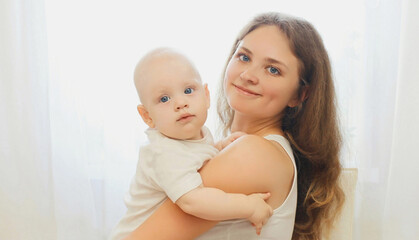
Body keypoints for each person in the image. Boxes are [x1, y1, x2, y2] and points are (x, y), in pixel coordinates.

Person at [123, 12, 345, 240]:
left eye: (273, 69)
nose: (248, 75)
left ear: (299, 94)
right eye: (244, 57)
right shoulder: (238, 147)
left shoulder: (252, 154)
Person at [109, 48, 274, 240]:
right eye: (164, 99)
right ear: (147, 116)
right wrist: (247, 205)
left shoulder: (196, 134)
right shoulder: (163, 153)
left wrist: (219, 148)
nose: (180, 103)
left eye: (188, 90)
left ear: (206, 95)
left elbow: (196, 158)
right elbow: (193, 202)